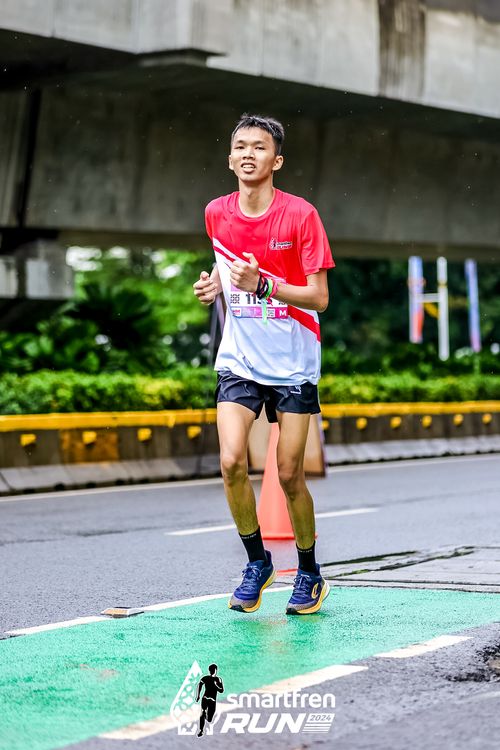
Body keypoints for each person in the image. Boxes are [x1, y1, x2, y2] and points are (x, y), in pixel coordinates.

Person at [193, 113, 335, 615]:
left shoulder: (301, 215)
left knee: (289, 474)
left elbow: (319, 298)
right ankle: (258, 562)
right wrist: (214, 285)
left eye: (258, 147)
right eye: (240, 146)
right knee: (231, 460)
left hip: (294, 361)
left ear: (277, 161)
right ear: (229, 158)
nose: (248, 154)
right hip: (240, 359)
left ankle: (309, 571)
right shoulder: (216, 212)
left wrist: (265, 285)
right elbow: (227, 265)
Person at [195, 663, 224, 737]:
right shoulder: (207, 678)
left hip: (210, 700)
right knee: (204, 713)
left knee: (208, 718)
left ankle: (205, 719)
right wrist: (198, 695)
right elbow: (199, 685)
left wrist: (215, 685)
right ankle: (201, 730)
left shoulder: (217, 679)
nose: (213, 671)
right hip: (208, 699)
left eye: (213, 670)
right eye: (212, 670)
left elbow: (221, 690)